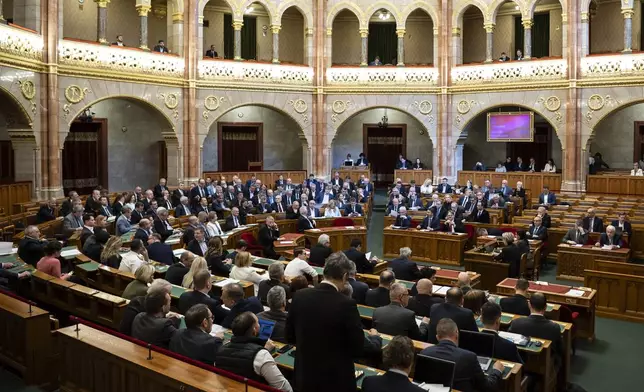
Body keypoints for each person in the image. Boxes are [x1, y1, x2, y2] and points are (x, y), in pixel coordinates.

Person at [286, 252, 364, 392]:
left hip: (305, 376)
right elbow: (358, 347)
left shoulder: (299, 296)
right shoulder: (347, 304)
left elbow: (289, 336)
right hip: (335, 381)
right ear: (345, 276)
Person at [420, 318, 504, 392]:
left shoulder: (424, 353)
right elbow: (487, 386)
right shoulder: (469, 357)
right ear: (457, 334)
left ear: (437, 337)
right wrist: (497, 371)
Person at [215, 312, 293, 391]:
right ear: (255, 330)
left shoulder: (221, 349)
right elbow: (284, 388)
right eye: (258, 323)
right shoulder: (261, 355)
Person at [509, 293, 563, 369]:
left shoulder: (516, 323)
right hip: (544, 364)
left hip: (521, 363)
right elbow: (559, 349)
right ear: (546, 307)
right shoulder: (554, 327)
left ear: (529, 305)